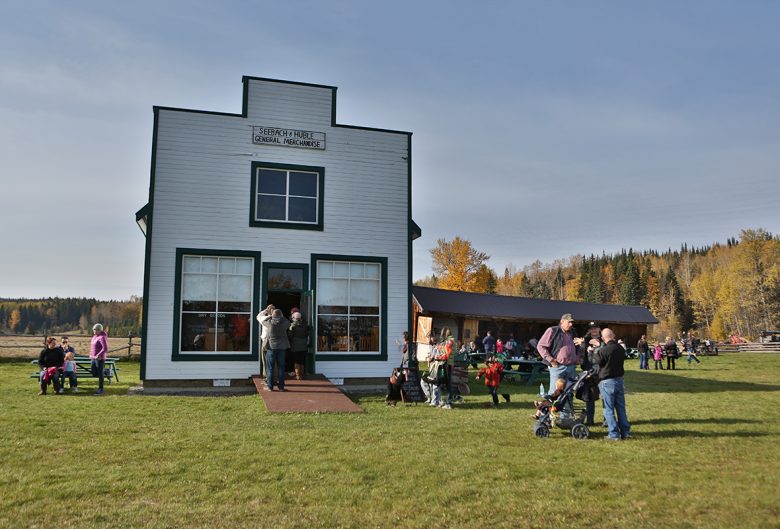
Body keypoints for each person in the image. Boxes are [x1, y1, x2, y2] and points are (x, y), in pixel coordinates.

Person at [594, 328, 631, 440]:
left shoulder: (603, 350)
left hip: (607, 381)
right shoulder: (620, 348)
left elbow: (597, 362)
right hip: (619, 380)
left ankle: (613, 434)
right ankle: (626, 432)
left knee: (608, 409)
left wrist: (595, 349)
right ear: (613, 336)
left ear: (603, 338)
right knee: (621, 408)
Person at [537, 313, 584, 392]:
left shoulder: (573, 332)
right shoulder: (553, 330)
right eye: (569, 322)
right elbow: (541, 346)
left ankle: (568, 405)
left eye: (572, 322)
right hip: (557, 366)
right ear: (562, 321)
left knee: (569, 392)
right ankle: (553, 405)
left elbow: (577, 346)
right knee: (555, 392)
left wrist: (577, 357)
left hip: (571, 367)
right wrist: (551, 360)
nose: (571, 324)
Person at [259, 309, 290, 391]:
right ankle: (281, 387)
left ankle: (270, 387)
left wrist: (270, 315)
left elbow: (262, 320)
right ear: (281, 315)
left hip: (271, 348)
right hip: (282, 348)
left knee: (270, 368)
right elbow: (288, 322)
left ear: (273, 315)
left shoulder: (269, 323)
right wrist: (281, 317)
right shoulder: (284, 323)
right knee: (281, 368)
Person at [579, 322, 603, 425]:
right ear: (589, 330)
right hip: (589, 373)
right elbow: (581, 357)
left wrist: (599, 346)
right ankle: (590, 420)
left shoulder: (604, 340)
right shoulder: (585, 341)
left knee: (605, 397)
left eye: (595, 328)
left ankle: (607, 420)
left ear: (599, 329)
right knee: (589, 397)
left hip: (602, 372)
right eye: (591, 328)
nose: (593, 330)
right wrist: (585, 369)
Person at [287, 311, 310, 380]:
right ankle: (302, 374)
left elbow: (290, 336)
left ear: (294, 318)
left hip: (295, 346)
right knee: (302, 360)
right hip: (304, 345)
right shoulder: (305, 325)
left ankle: (298, 376)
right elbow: (307, 334)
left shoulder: (292, 325)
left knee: (297, 361)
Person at [256, 304, 275, 376]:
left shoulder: (264, 318)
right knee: (274, 360)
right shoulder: (278, 319)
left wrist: (265, 310)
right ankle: (274, 376)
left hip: (265, 341)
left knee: (265, 360)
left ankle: (266, 376)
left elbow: (258, 316)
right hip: (275, 341)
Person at [90, 323, 108, 395]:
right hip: (93, 358)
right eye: (93, 329)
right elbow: (92, 347)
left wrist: (99, 355)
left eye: (95, 329)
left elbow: (105, 348)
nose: (94, 331)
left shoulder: (102, 337)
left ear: (99, 330)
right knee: (94, 372)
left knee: (100, 374)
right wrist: (91, 355)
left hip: (99, 358)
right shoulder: (94, 336)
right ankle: (105, 371)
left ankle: (101, 389)